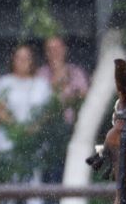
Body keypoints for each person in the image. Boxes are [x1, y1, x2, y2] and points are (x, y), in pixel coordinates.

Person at [0, 43, 53, 204]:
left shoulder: (41, 84)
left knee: (34, 180)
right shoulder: (4, 82)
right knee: (9, 179)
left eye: (26, 58)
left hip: (34, 139)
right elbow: (0, 111)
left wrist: (32, 130)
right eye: (19, 58)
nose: (22, 62)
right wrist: (18, 130)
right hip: (8, 139)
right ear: (13, 60)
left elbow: (46, 112)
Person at [38, 35, 90, 189]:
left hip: (71, 129)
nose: (54, 52)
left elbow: (84, 97)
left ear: (64, 50)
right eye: (50, 49)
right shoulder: (41, 73)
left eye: (57, 48)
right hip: (47, 129)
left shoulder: (76, 72)